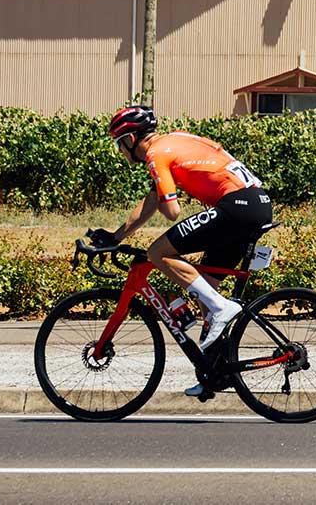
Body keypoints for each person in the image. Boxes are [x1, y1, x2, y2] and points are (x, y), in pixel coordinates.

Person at [93, 104, 274, 397]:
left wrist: (167, 187)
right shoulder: (174, 139)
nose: (121, 153)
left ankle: (221, 307)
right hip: (254, 204)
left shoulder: (155, 154)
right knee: (206, 290)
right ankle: (213, 372)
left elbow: (171, 211)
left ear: (129, 138)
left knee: (157, 253)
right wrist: (117, 235)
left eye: (119, 144)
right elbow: (152, 200)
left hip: (237, 207)